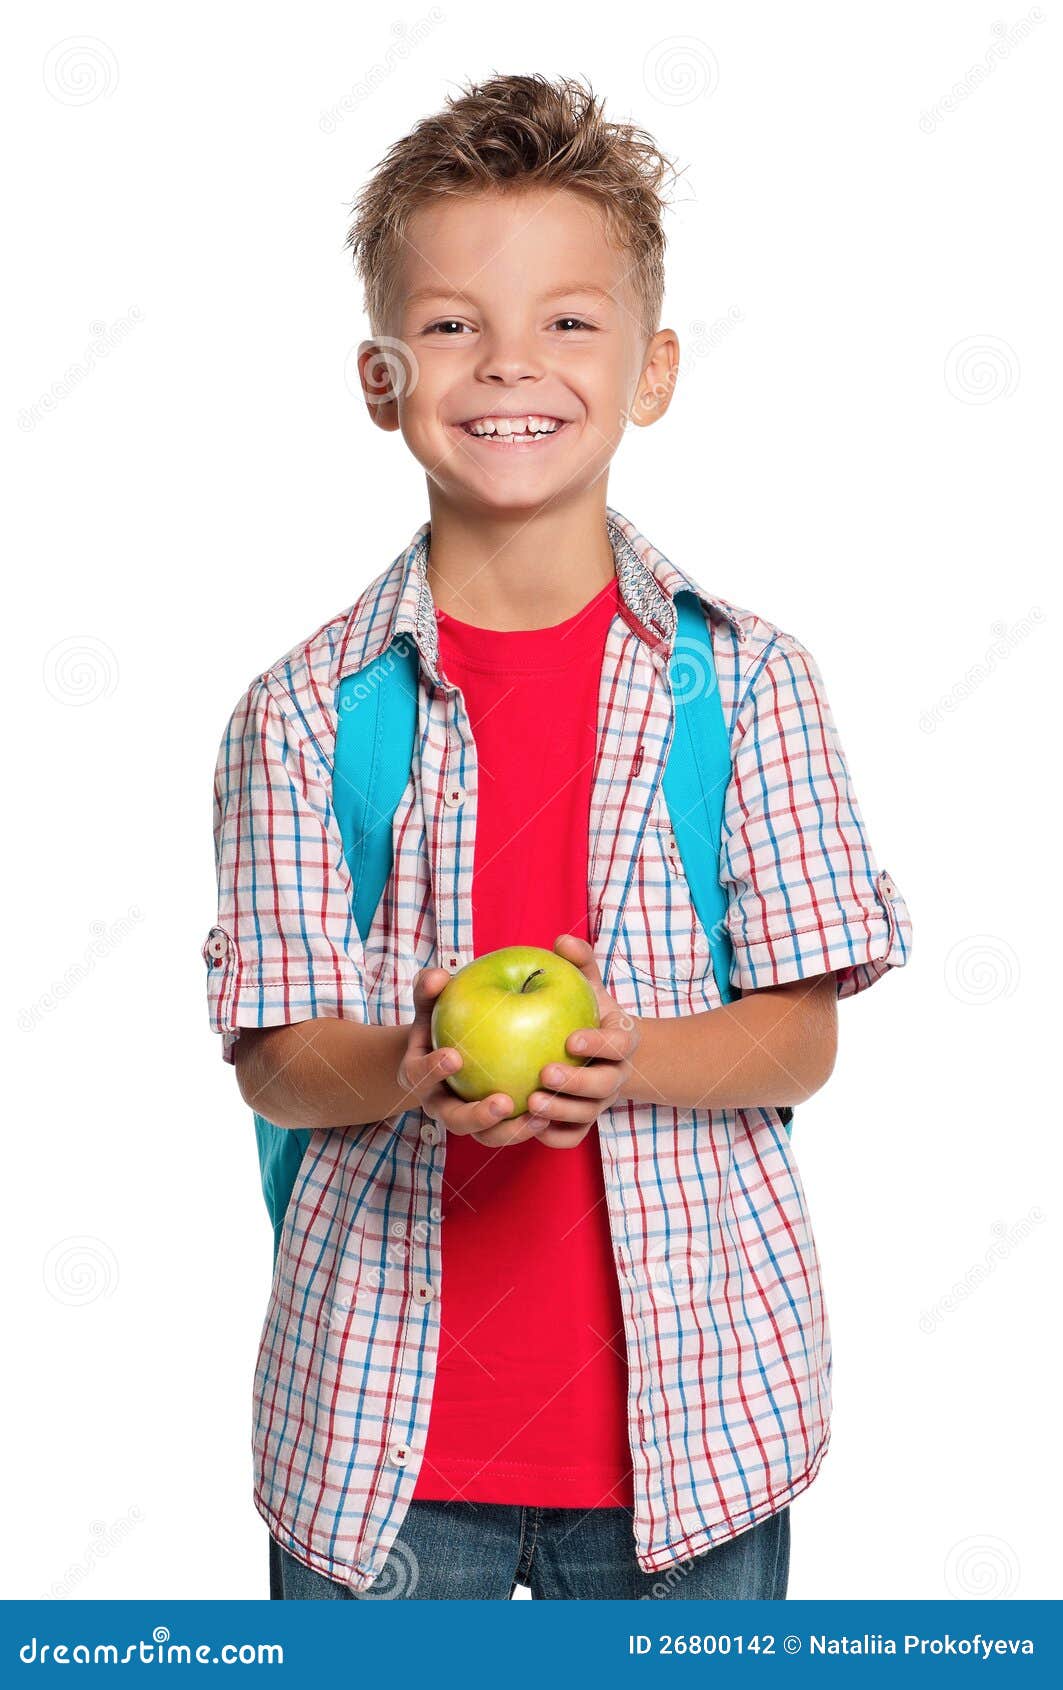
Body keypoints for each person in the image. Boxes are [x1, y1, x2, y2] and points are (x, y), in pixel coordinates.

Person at [204, 72, 912, 1601]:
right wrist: (401, 1067)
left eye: (569, 322)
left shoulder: (750, 685)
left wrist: (631, 1053)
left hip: (695, 1439)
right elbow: (270, 1051)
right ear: (381, 377)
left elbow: (800, 1035)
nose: (510, 361)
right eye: (453, 323)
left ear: (654, 368)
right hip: (380, 1453)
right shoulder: (306, 713)